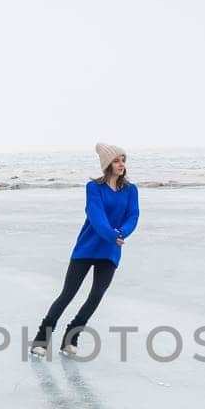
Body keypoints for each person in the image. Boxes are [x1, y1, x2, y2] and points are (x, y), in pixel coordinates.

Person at [32, 142, 140, 358]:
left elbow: (133, 215)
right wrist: (112, 235)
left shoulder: (130, 190)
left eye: (123, 160)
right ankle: (41, 340)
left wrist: (121, 233)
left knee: (96, 295)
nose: (121, 164)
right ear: (107, 164)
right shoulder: (94, 188)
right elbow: (96, 215)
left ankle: (71, 338)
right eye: (117, 161)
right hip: (87, 248)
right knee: (68, 294)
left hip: (110, 251)